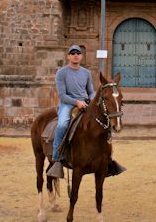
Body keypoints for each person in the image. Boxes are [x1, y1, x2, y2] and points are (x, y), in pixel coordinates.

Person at [47, 45, 125, 178]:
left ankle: (108, 158)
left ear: (81, 56)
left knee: (103, 122)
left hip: (84, 103)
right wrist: (76, 102)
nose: (75, 55)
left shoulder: (86, 73)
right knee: (62, 125)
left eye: (78, 53)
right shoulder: (62, 73)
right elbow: (62, 95)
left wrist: (91, 101)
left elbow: (90, 92)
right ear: (68, 56)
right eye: (73, 53)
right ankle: (57, 158)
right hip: (67, 104)